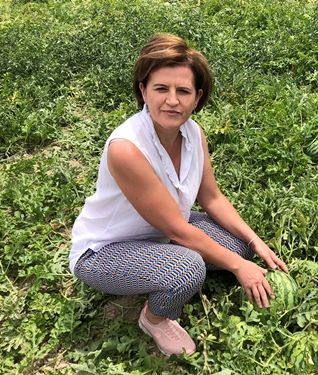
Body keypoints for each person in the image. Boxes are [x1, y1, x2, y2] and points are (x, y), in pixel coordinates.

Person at [69, 33, 288, 357]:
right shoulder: (127, 149)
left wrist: (253, 242)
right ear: (143, 91)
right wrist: (239, 268)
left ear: (197, 97)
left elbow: (212, 198)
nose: (172, 100)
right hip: (105, 250)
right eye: (161, 88)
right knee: (187, 268)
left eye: (183, 91)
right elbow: (175, 229)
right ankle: (154, 319)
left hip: (159, 231)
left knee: (238, 245)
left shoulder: (193, 133)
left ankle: (174, 261)